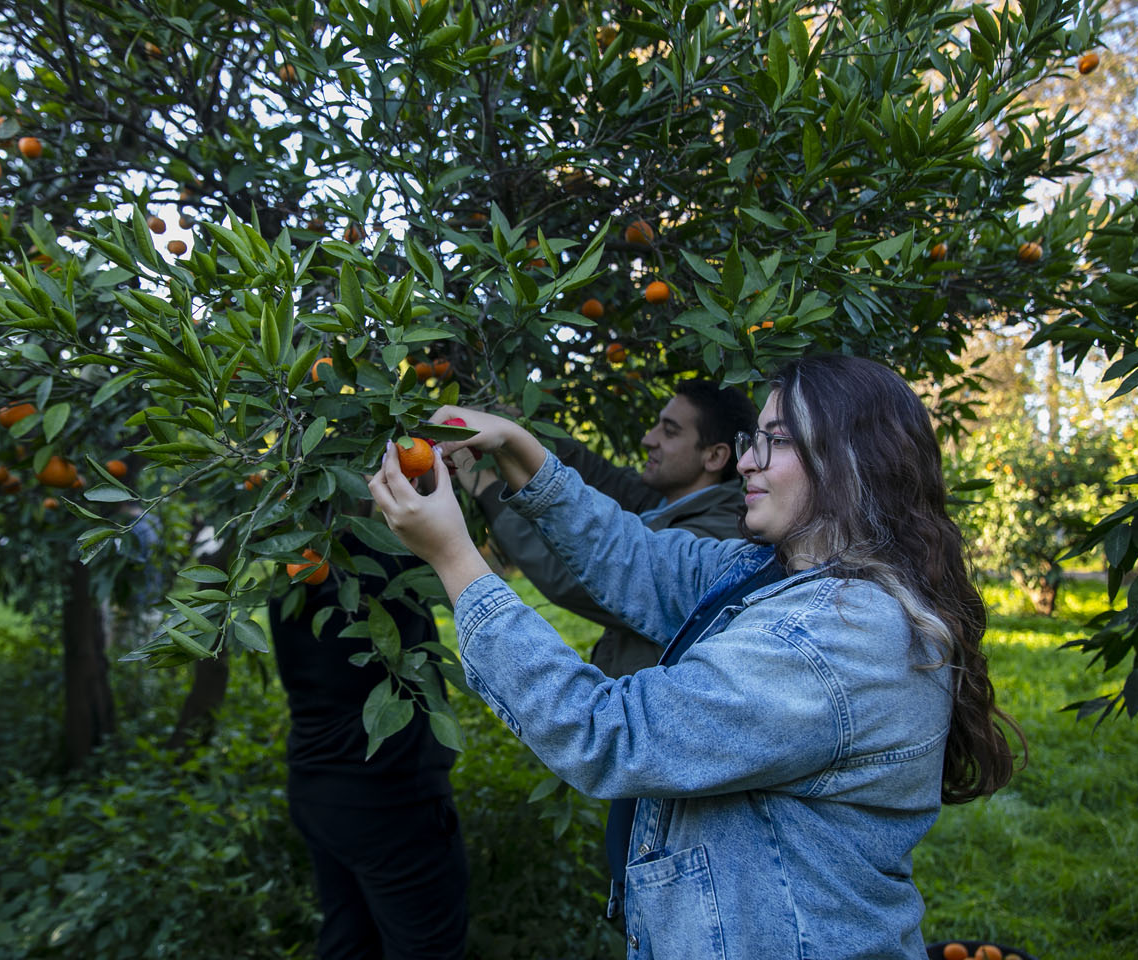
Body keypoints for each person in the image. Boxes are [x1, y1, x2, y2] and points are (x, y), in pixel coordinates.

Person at [367, 354, 1022, 960]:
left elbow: (610, 733)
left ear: (854, 461)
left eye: (776, 441)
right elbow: (639, 560)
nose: (746, 463)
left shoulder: (834, 636)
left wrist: (455, 559)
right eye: (751, 441)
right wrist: (521, 450)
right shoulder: (773, 573)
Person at [459, 379, 758, 677]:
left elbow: (573, 579)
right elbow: (595, 472)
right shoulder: (666, 499)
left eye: (669, 431)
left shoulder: (713, 538)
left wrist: (485, 487)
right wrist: (511, 420)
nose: (648, 439)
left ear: (715, 456)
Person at [269, 536, 468, 960]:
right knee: (426, 948)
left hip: (317, 789)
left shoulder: (286, 569)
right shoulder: (382, 568)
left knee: (348, 941)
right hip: (391, 804)